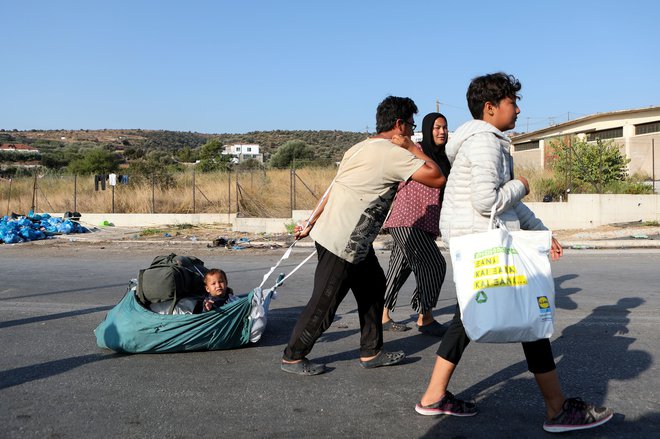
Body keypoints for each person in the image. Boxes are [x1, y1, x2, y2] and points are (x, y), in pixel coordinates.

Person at [415, 73, 613, 434]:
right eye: (512, 102)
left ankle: (433, 396)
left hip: (480, 240)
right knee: (530, 318)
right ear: (490, 108)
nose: (518, 109)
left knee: (467, 318)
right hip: (487, 242)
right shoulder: (485, 143)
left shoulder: (484, 141)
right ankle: (556, 410)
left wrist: (540, 231)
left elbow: (504, 208)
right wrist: (521, 185)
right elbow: (488, 201)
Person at [280, 96, 446, 376]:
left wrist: (312, 221)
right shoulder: (393, 152)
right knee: (325, 300)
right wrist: (412, 148)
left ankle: (371, 352)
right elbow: (437, 177)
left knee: (373, 287)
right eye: (411, 125)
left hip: (349, 236)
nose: (411, 131)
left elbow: (334, 187)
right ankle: (293, 356)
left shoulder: (358, 147)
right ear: (398, 124)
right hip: (344, 239)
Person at [381, 112, 451, 336]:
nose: (442, 132)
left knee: (398, 269)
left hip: (426, 220)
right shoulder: (415, 149)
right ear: (427, 129)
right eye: (437, 128)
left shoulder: (445, 157)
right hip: (407, 218)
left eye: (445, 127)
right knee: (435, 265)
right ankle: (425, 317)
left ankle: (381, 316)